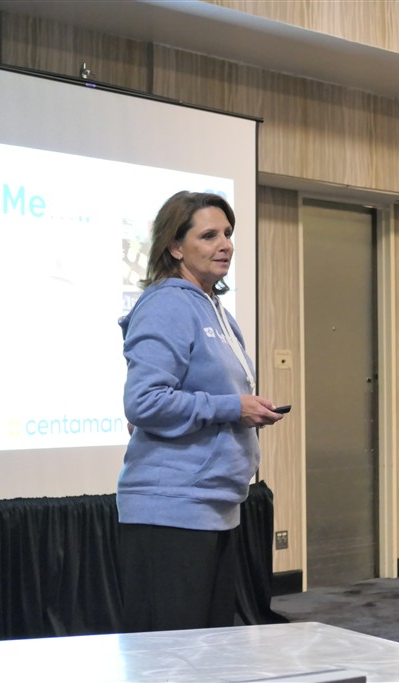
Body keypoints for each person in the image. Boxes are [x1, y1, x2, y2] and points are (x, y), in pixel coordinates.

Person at [117, 190, 285, 633]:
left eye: (228, 234)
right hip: (171, 508)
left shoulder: (217, 311)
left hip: (216, 505)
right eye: (209, 235)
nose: (225, 245)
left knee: (207, 653)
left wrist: (245, 407)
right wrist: (232, 407)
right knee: (172, 655)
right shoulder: (167, 304)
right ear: (175, 246)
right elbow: (144, 401)